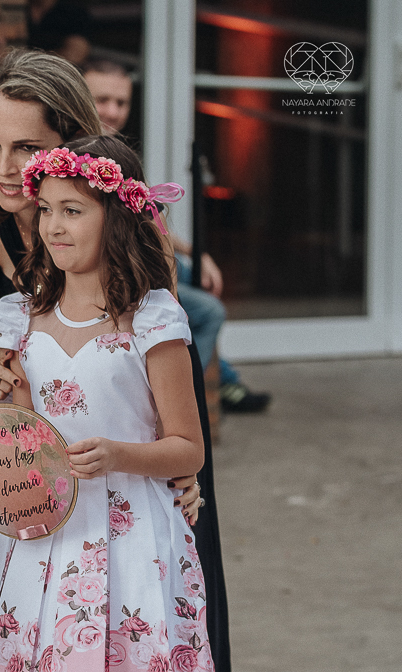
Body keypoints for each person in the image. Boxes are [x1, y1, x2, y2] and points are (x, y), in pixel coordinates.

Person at [0, 49, 234, 672]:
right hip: (29, 443)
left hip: (133, 427)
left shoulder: (116, 209)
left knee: (154, 619)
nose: (3, 167)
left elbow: (157, 363)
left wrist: (179, 469)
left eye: (25, 146)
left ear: (68, 140)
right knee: (2, 622)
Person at [81, 59, 271, 413]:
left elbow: (149, 218)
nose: (113, 111)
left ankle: (198, 390)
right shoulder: (75, 157)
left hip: (137, 264)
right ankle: (193, 394)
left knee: (190, 279)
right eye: (102, 100)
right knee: (197, 296)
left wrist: (195, 252)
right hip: (103, 275)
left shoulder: (119, 154)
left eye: (121, 103)